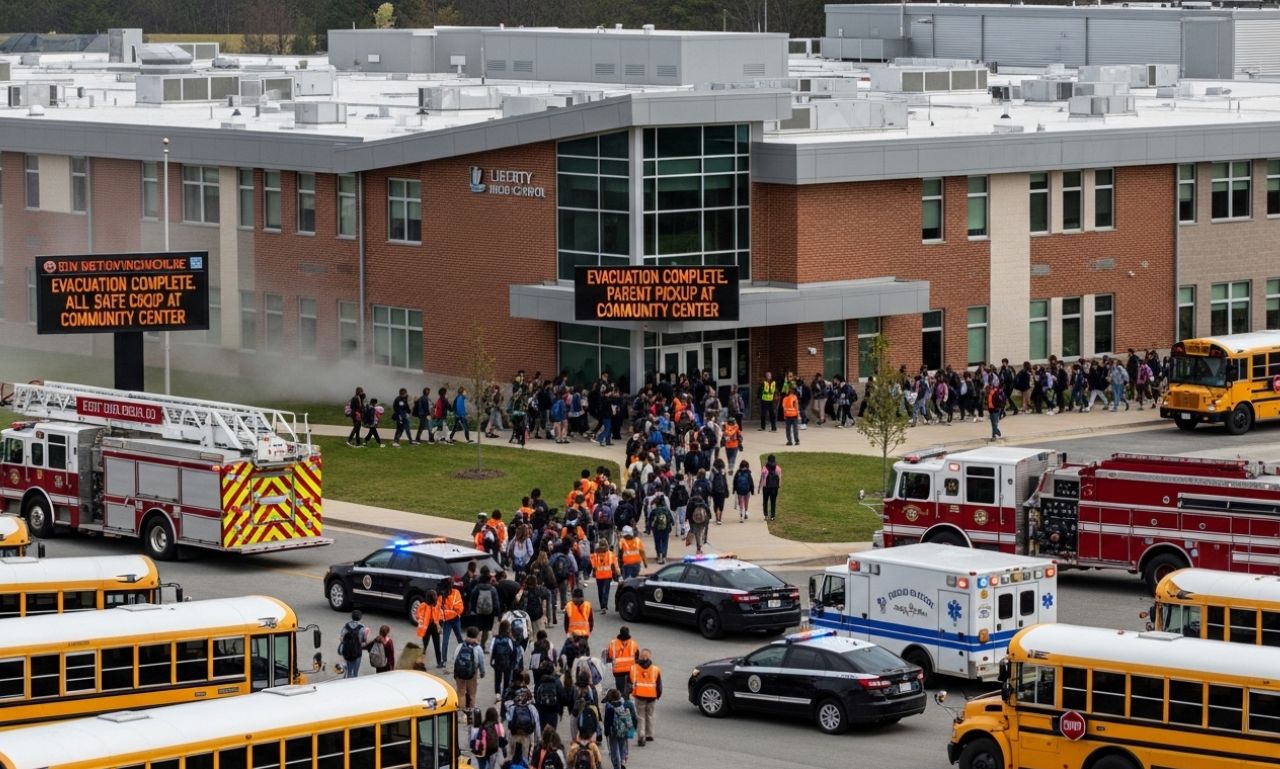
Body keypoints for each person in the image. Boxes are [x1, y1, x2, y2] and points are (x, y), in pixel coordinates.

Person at [628, 649, 661, 747]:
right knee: (650, 715)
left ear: (640, 657)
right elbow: (659, 685)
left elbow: (629, 683)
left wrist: (629, 693)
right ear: (649, 657)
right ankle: (649, 734)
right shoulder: (655, 669)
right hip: (652, 696)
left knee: (641, 717)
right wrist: (657, 695)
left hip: (639, 695)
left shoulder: (634, 668)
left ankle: (641, 736)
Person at [505, 678, 541, 760]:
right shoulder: (532, 708)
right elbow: (537, 725)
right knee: (525, 758)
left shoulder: (512, 707)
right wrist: (538, 740)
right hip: (527, 736)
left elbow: (509, 721)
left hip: (514, 735)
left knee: (512, 756)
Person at [454, 626, 487, 716]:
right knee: (472, 692)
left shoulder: (460, 645)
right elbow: (481, 661)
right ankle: (470, 711)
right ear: (476, 636)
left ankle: (461, 712)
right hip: (472, 673)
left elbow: (455, 658)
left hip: (459, 673)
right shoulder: (478, 648)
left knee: (460, 692)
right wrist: (482, 672)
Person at [602, 688, 636, 769]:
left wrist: (606, 732)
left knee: (614, 749)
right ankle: (622, 761)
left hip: (613, 732)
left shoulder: (610, 708)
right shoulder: (625, 705)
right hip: (623, 730)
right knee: (622, 746)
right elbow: (633, 717)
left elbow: (607, 722)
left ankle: (617, 765)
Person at [489, 619, 523, 696]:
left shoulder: (495, 638)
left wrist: (491, 661)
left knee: (497, 679)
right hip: (507, 663)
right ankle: (505, 693)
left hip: (497, 662)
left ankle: (497, 694)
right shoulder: (509, 639)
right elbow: (514, 651)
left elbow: (491, 650)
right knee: (507, 679)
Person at [470, 566, 502, 645]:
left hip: (479, 611)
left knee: (478, 628)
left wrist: (472, 610)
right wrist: (498, 614)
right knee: (486, 630)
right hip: (489, 613)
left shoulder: (477, 588)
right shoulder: (492, 589)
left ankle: (475, 642)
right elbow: (496, 602)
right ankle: (482, 644)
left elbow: (472, 599)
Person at [603, 627, 637, 699]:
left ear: (620, 632)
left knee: (620, 689)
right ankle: (626, 700)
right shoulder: (633, 644)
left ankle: (620, 701)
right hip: (630, 671)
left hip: (618, 671)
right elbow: (637, 657)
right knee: (628, 688)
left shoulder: (613, 643)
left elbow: (609, 657)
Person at [414, 590, 445, 668]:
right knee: (436, 645)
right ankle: (439, 662)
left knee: (424, 645)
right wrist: (440, 626)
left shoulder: (423, 605)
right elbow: (441, 617)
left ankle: (420, 662)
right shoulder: (437, 606)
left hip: (426, 628)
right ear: (435, 598)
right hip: (433, 627)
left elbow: (417, 616)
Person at [439, 578, 466, 665]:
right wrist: (453, 610)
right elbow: (459, 607)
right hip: (455, 619)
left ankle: (443, 660)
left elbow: (441, 610)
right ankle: (465, 655)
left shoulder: (442, 596)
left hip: (447, 620)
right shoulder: (456, 593)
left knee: (445, 640)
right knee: (459, 638)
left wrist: (448, 610)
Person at [588, 541, 618, 615]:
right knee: (602, 592)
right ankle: (603, 606)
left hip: (606, 576)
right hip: (601, 576)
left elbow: (614, 565)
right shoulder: (598, 555)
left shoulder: (607, 554)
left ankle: (603, 606)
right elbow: (593, 565)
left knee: (603, 591)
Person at [337, 610, 368, 678]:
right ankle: (353, 681)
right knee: (355, 671)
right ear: (360, 617)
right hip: (357, 651)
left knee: (348, 668)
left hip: (347, 650)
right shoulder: (362, 627)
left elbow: (341, 638)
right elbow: (364, 642)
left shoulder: (346, 625)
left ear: (352, 616)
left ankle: (347, 676)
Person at [758, 454, 781, 522]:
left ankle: (766, 516)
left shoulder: (765, 468)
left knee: (765, 502)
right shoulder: (777, 468)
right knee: (773, 502)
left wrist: (759, 487)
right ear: (774, 460)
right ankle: (772, 516)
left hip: (766, 487)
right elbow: (779, 478)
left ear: (768, 460)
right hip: (774, 487)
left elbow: (762, 478)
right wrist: (778, 485)